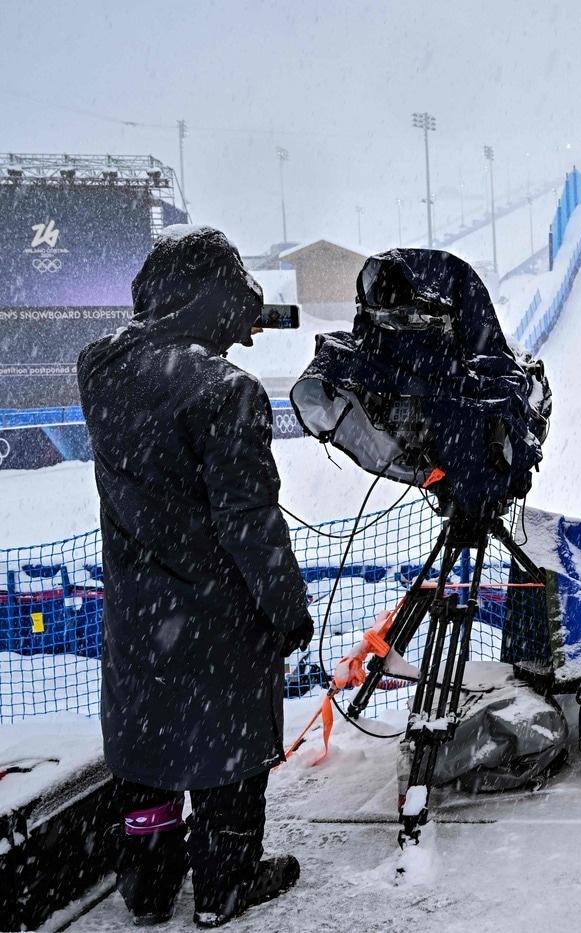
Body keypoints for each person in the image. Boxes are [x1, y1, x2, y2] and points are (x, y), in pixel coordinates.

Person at [78, 225, 314, 927]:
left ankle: (149, 887)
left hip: (138, 617)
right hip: (218, 620)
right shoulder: (225, 392)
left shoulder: (99, 369)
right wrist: (288, 609)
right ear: (212, 301)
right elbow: (250, 523)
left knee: (149, 753)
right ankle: (224, 885)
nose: (242, 340)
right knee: (225, 758)